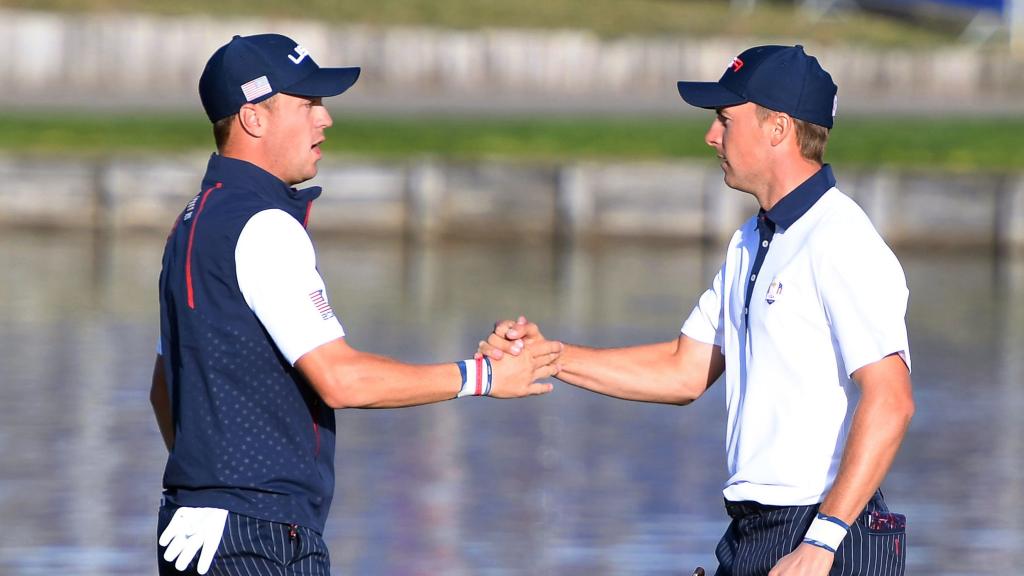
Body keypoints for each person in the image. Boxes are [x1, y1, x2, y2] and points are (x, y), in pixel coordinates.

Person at [482, 45, 914, 576]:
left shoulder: (840, 240)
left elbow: (891, 399)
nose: (712, 136)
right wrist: (550, 358)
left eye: (725, 120)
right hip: (754, 530)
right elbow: (683, 369)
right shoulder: (751, 239)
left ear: (777, 128)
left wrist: (822, 543)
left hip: (826, 533)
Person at [150, 33, 561, 576]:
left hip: (202, 528)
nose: (326, 120)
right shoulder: (264, 226)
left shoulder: (193, 221)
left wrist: (209, 488)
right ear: (254, 118)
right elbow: (342, 381)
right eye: (308, 104)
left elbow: (164, 388)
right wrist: (483, 375)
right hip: (258, 534)